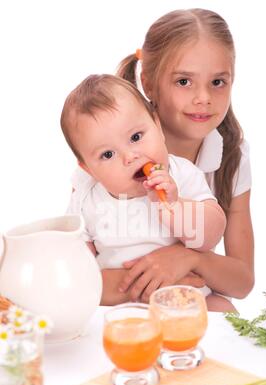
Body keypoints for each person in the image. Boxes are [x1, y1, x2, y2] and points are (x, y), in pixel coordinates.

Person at [116, 8, 254, 311]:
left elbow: (242, 281)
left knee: (222, 307)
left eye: (218, 82)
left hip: (192, 304)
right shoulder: (114, 151)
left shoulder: (232, 157)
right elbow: (83, 261)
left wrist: (190, 257)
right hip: (123, 302)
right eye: (184, 82)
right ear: (148, 83)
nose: (203, 97)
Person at [61, 74, 226, 306]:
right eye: (108, 154)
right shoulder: (86, 200)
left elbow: (212, 234)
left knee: (223, 307)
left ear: (157, 126)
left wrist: (174, 205)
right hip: (120, 310)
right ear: (89, 169)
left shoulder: (181, 174)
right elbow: (76, 272)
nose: (130, 157)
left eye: (136, 137)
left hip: (188, 304)